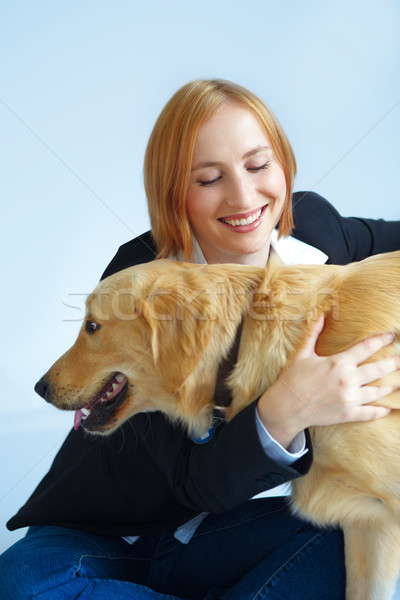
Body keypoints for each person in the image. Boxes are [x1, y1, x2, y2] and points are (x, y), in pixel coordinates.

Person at [1, 79, 400, 600]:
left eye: (258, 166)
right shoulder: (143, 276)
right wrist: (286, 409)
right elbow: (193, 481)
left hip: (231, 533)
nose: (243, 196)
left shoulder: (319, 232)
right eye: (209, 178)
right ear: (174, 193)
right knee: (25, 584)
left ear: (282, 163)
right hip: (103, 538)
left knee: (366, 529)